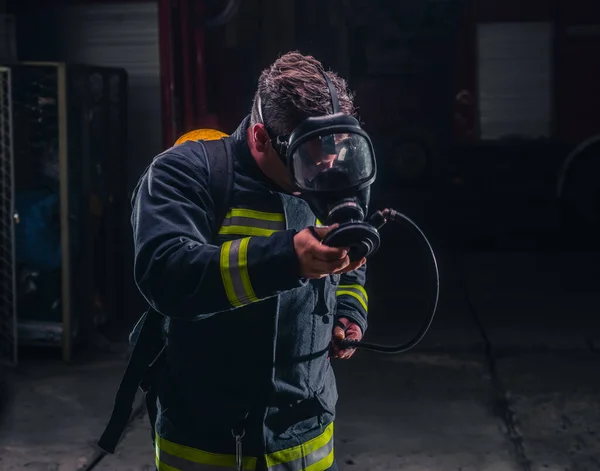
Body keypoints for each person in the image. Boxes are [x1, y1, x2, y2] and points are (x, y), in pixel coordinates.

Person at [131, 51, 370, 471]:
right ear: (261, 137)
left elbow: (350, 259)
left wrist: (348, 310)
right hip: (207, 446)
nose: (325, 168)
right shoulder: (186, 174)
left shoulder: (325, 171)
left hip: (307, 439)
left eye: (332, 151)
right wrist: (285, 259)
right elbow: (166, 274)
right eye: (308, 156)